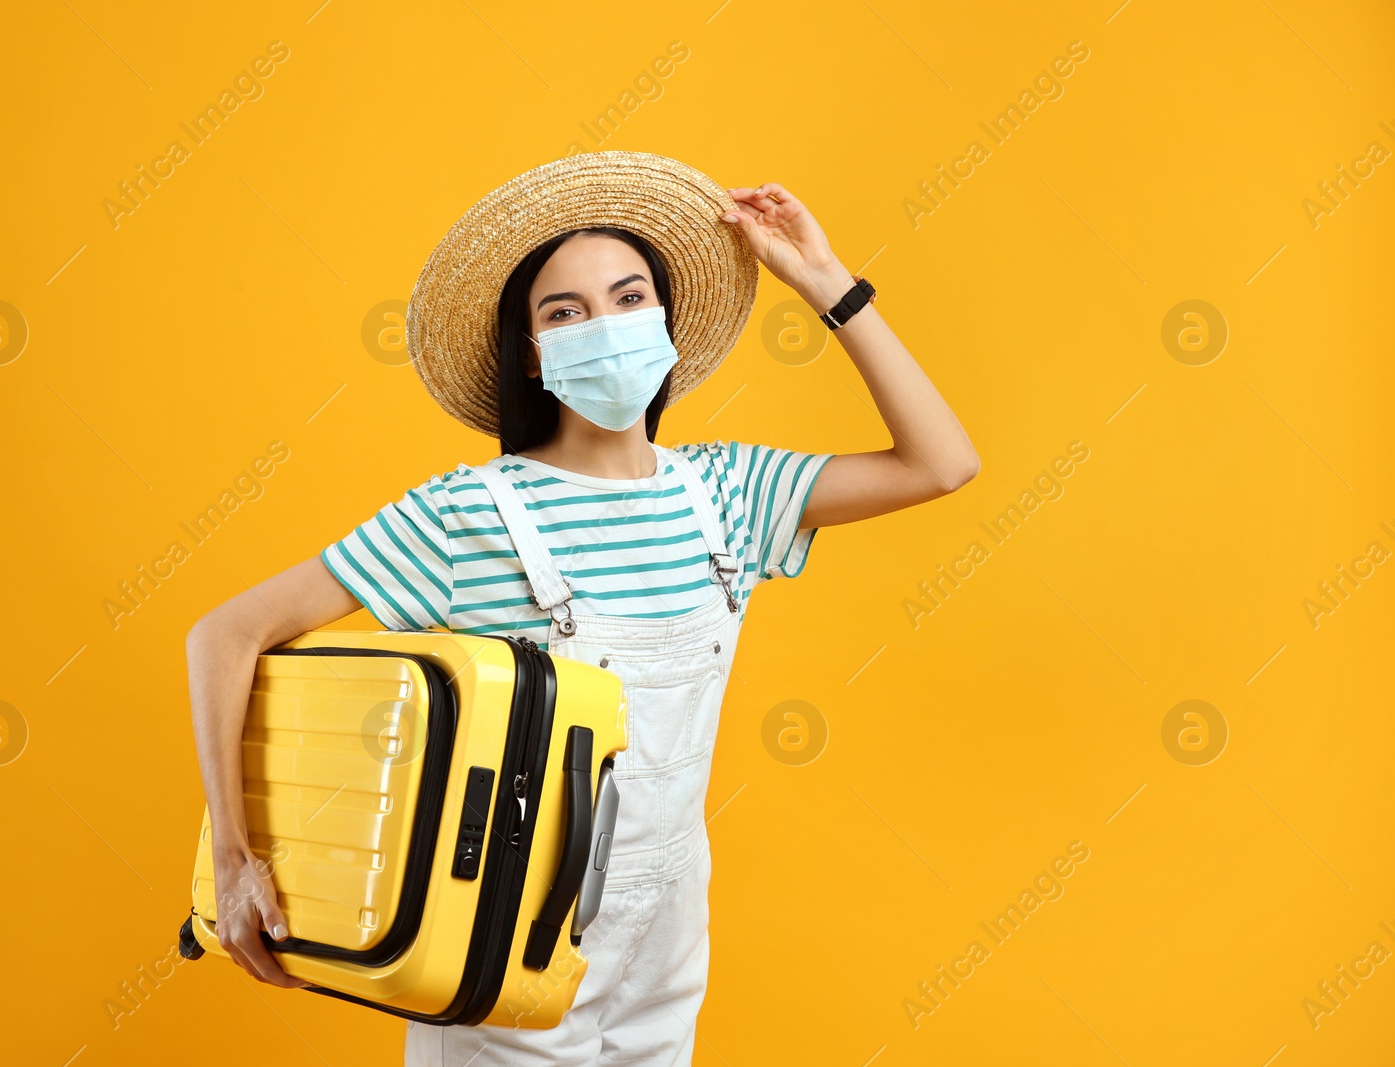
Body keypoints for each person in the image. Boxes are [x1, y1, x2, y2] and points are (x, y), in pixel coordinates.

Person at [185, 151, 979, 1065]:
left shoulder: (728, 493)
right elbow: (227, 633)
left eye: (629, 296)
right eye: (566, 313)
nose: (604, 326)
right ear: (534, 353)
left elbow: (942, 461)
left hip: (668, 935)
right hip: (498, 938)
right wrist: (236, 864)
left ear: (667, 321)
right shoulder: (467, 513)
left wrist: (826, 281)